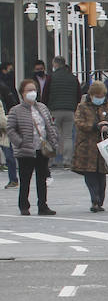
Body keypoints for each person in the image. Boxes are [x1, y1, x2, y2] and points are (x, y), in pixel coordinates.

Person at [7, 79, 58, 215]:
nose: (32, 93)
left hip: (42, 149)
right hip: (26, 151)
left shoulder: (42, 107)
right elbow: (10, 129)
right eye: (29, 90)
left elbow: (50, 125)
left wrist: (53, 140)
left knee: (42, 178)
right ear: (22, 93)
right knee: (25, 179)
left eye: (34, 90)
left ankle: (43, 205)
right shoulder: (16, 110)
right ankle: (24, 205)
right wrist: (20, 142)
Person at [71, 81, 108, 213]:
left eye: (101, 95)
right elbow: (79, 122)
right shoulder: (82, 107)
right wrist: (94, 126)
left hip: (104, 145)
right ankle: (95, 200)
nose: (99, 98)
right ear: (91, 95)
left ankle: (100, 200)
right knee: (90, 173)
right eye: (97, 95)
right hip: (87, 145)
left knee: (102, 175)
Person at [44, 55, 81, 169]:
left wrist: (45, 108)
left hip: (54, 111)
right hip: (70, 111)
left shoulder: (51, 77)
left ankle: (51, 160)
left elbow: (45, 94)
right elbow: (78, 94)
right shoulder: (73, 78)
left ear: (55, 64)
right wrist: (74, 106)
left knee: (52, 135)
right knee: (68, 136)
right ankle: (67, 161)